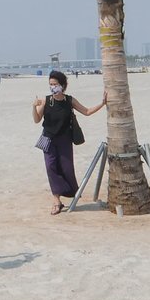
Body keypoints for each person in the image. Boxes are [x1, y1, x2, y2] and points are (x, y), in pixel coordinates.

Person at [32, 70, 107, 215]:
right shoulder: (47, 101)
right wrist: (33, 107)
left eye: (55, 84)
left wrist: (102, 103)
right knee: (51, 167)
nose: (53, 87)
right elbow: (36, 120)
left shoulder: (69, 100)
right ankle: (56, 200)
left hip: (64, 140)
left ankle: (69, 192)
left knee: (66, 168)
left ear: (62, 85)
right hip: (48, 139)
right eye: (51, 85)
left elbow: (86, 111)